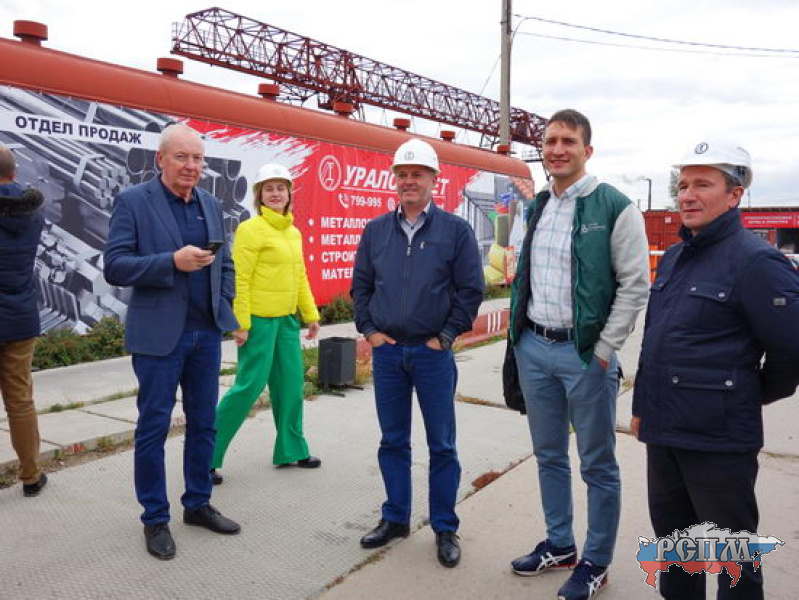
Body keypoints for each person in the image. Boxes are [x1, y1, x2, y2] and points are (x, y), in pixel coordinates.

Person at [631, 139, 799, 600]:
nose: (687, 195)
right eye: (683, 185)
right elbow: (655, 342)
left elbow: (792, 348)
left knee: (733, 563)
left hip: (718, 440)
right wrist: (642, 407)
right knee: (676, 552)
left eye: (702, 184)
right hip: (664, 433)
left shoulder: (756, 261)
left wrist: (750, 392)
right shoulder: (674, 257)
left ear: (735, 194)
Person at [507, 109, 650, 599]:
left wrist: (605, 351)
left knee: (597, 465)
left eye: (568, 141)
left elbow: (635, 285)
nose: (557, 149)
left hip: (585, 355)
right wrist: (519, 341)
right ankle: (560, 545)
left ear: (587, 150)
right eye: (550, 141)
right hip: (534, 348)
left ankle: (596, 561)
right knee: (549, 455)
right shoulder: (538, 206)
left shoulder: (615, 207)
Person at [104, 124, 241, 560]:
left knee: (204, 424)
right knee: (153, 428)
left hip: (205, 335)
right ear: (160, 159)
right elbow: (115, 265)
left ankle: (197, 503)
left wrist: (223, 301)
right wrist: (171, 262)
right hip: (159, 337)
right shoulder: (133, 202)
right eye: (182, 157)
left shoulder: (210, 204)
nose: (191, 166)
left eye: (198, 158)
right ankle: (155, 518)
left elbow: (226, 262)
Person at [352, 138, 484, 568]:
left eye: (417, 174)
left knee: (442, 444)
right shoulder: (376, 231)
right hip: (389, 354)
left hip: (432, 355)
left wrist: (446, 336)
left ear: (433, 180)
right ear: (396, 180)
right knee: (393, 441)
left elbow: (470, 290)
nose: (409, 181)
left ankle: (444, 526)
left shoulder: (455, 231)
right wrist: (369, 330)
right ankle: (396, 518)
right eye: (403, 174)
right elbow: (361, 287)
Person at [211, 163, 321, 480]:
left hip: (286, 321)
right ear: (259, 195)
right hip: (258, 322)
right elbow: (240, 278)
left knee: (291, 387)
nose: (275, 194)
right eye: (268, 189)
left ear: (289, 194)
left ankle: (292, 449)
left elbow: (300, 276)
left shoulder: (293, 232)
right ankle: (206, 456)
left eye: (280, 188)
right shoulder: (251, 229)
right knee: (248, 387)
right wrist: (240, 323)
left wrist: (310, 314)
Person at [0, 146, 47, 497]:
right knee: (20, 400)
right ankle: (31, 476)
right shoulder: (33, 210)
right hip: (19, 317)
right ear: (14, 173)